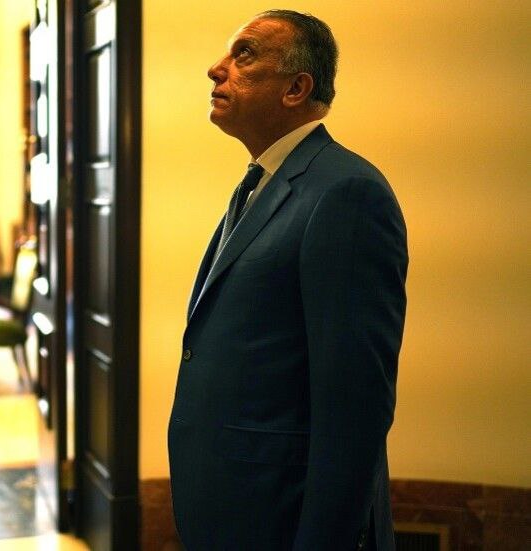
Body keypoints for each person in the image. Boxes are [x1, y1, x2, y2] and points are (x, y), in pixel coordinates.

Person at [168, 10, 408, 550]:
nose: (216, 68)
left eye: (245, 54)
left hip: (281, 519)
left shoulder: (347, 193)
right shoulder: (264, 182)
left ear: (296, 89)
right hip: (234, 510)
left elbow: (355, 406)